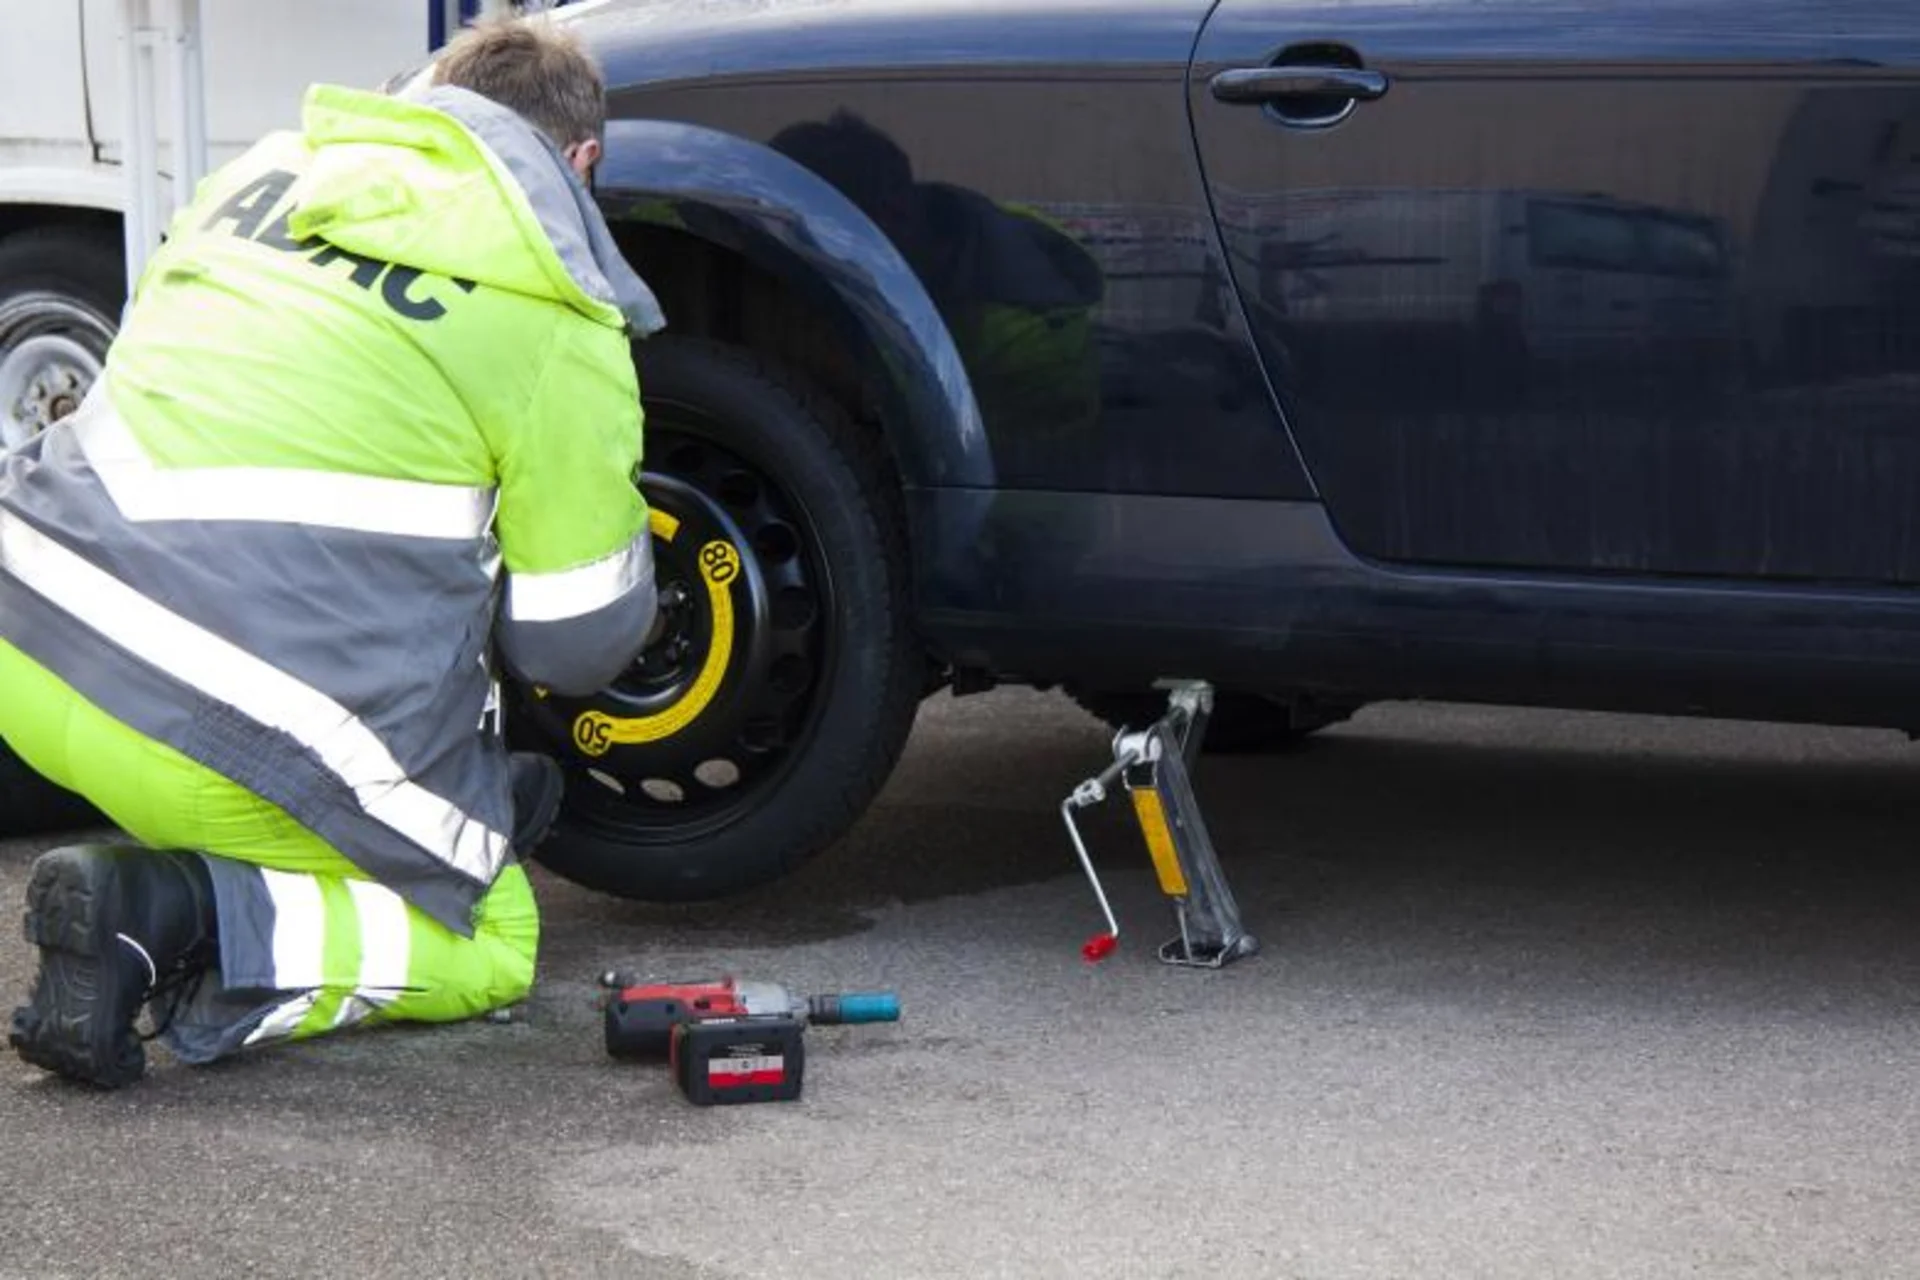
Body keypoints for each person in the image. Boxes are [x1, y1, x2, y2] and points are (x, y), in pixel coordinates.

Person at [0, 15, 664, 1088]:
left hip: (27, 641)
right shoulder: (556, 310)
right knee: (493, 934)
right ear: (581, 162)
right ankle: (174, 914)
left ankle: (377, 821)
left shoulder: (267, 170)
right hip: (206, 730)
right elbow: (572, 640)